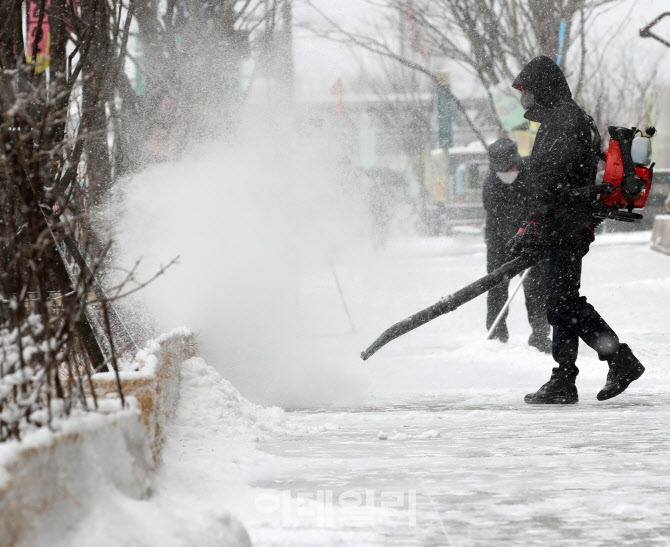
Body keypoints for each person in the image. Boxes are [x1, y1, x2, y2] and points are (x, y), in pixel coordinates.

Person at [508, 56, 645, 404]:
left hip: (564, 226)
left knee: (563, 304)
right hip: (565, 224)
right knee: (562, 303)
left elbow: (551, 180)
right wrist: (534, 223)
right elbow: (552, 180)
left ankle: (619, 359)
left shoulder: (565, 122)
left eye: (527, 91)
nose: (524, 99)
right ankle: (563, 379)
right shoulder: (566, 119)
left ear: (542, 88)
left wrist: (534, 223)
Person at [483, 138, 551, 353]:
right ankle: (496, 335)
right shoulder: (491, 183)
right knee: (496, 286)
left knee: (535, 287)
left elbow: (539, 207)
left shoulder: (533, 176)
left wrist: (529, 234)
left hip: (530, 237)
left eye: (508, 167)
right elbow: (494, 217)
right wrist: (506, 242)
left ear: (516, 161)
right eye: (500, 169)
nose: (505, 172)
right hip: (499, 241)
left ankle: (540, 336)